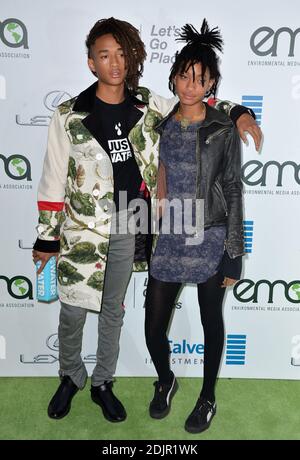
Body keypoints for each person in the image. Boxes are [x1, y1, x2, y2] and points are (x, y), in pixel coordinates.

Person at [32, 17, 260, 423]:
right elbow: (52, 179)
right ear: (91, 62)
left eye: (121, 54)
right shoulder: (69, 115)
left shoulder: (147, 105)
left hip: (133, 224)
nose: (115, 62)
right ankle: (70, 376)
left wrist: (239, 111)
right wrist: (46, 239)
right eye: (105, 55)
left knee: (114, 312)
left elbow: (199, 105)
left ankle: (103, 383)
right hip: (84, 229)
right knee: (73, 310)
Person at [144, 19, 244, 433]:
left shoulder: (222, 128)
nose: (189, 85)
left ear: (211, 84)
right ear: (174, 77)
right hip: (170, 233)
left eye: (199, 79)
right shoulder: (158, 121)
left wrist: (233, 256)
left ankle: (207, 398)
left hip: (210, 234)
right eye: (184, 76)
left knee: (210, 321)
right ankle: (166, 380)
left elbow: (234, 187)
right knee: (152, 323)